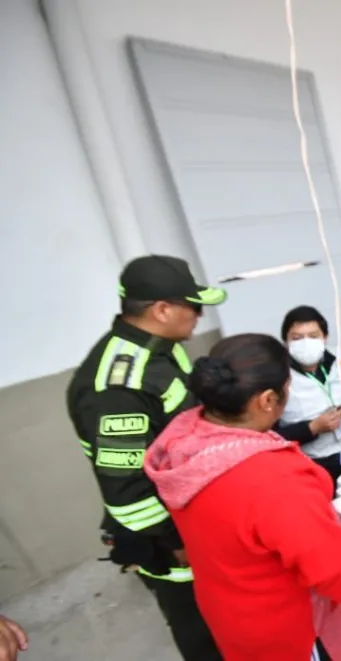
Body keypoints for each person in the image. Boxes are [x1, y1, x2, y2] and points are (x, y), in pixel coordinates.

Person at [144, 334, 341, 661]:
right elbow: (335, 568)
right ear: (268, 400)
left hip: (229, 612)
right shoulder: (275, 480)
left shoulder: (182, 444)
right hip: (287, 632)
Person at [66, 255, 226, 661]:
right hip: (173, 545)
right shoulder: (117, 387)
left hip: (196, 516)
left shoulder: (159, 349)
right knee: (203, 631)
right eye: (194, 306)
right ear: (162, 309)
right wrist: (179, 544)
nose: (199, 315)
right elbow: (129, 494)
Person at [275, 306, 341, 482]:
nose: (306, 342)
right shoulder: (276, 378)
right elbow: (272, 436)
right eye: (297, 338)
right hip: (316, 460)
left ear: (324, 337)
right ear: (286, 342)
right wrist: (312, 428)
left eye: (313, 336)